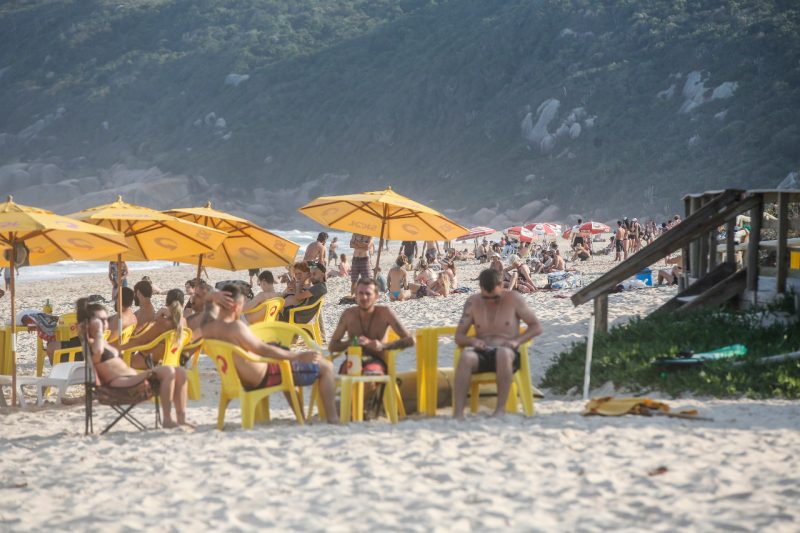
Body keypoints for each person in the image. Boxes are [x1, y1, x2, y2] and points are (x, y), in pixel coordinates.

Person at [201, 283, 338, 423]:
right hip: (262, 376)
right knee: (326, 367)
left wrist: (210, 298)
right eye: (242, 304)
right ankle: (332, 418)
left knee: (283, 359)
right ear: (236, 306)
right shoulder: (236, 327)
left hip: (238, 378)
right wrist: (299, 355)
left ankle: (301, 417)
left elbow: (207, 312)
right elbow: (263, 350)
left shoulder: (208, 327)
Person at [77, 297, 190, 428]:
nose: (104, 323)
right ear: (88, 324)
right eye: (99, 321)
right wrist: (97, 332)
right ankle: (167, 419)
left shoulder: (101, 342)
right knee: (168, 370)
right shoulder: (90, 344)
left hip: (131, 380)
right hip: (118, 385)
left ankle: (181, 418)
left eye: (105, 320)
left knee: (180, 372)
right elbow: (96, 353)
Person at [453, 269, 543, 419]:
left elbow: (536, 326)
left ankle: (500, 409)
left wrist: (516, 341)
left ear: (501, 285)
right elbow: (459, 336)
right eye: (486, 298)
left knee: (502, 353)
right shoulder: (473, 302)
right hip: (483, 350)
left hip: (507, 350)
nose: (491, 302)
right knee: (466, 356)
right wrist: (473, 341)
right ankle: (458, 413)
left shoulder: (514, 299)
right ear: (480, 288)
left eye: (495, 297)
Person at [328, 278, 414, 377]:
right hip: (353, 360)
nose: (364, 297)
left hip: (376, 361)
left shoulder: (385, 313)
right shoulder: (348, 315)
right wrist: (351, 343)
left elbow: (410, 340)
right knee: (348, 375)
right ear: (355, 296)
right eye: (360, 293)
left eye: (368, 294)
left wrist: (382, 346)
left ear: (376, 296)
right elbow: (332, 346)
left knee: (369, 375)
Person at [121, 288, 187, 369]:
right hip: (171, 364)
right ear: (183, 305)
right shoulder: (184, 323)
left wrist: (119, 348)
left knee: (115, 360)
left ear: (166, 303)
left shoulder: (163, 322)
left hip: (148, 363)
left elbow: (140, 341)